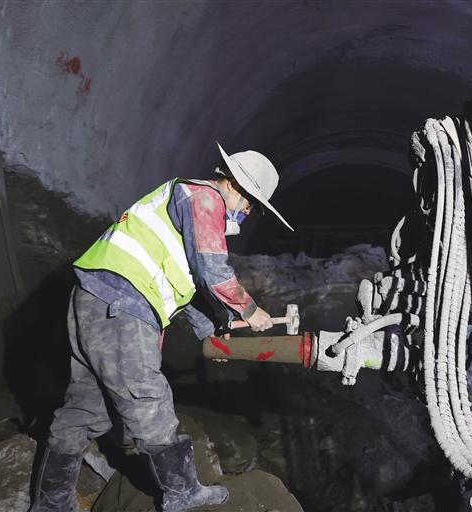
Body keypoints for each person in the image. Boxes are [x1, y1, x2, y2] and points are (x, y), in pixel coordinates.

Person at [30, 143, 293, 512]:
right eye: (251, 203)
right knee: (149, 398)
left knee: (85, 409)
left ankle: (50, 503)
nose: (249, 212)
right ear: (234, 185)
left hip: (93, 300)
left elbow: (189, 285)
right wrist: (250, 310)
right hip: (123, 305)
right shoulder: (205, 199)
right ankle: (181, 492)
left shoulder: (182, 202)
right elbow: (213, 271)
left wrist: (211, 334)